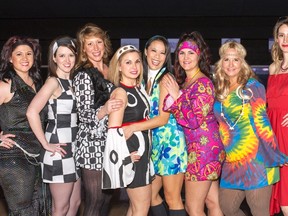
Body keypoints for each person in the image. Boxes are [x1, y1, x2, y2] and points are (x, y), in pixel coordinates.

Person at [213, 40, 288, 216]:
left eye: (236, 59)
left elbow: (263, 123)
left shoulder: (253, 87)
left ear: (242, 63)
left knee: (259, 211)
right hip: (231, 163)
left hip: (257, 161)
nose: (231, 64)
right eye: (226, 59)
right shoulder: (219, 90)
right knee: (227, 208)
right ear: (221, 63)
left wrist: (273, 154)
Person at [122, 35, 187, 216]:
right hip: (154, 146)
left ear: (167, 56)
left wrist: (132, 127)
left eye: (162, 52)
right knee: (150, 197)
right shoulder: (142, 80)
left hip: (171, 145)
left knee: (172, 197)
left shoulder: (166, 79)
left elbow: (162, 119)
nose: (157, 56)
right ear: (145, 51)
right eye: (153, 51)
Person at [162, 31, 225, 216]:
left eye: (191, 52)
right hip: (204, 149)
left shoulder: (203, 83)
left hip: (202, 152)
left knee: (193, 208)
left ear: (199, 55)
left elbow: (194, 120)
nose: (186, 57)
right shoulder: (188, 82)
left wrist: (176, 97)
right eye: (181, 53)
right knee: (212, 202)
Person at [26, 36, 81, 216]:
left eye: (71, 55)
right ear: (54, 58)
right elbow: (31, 111)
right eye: (62, 55)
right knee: (61, 208)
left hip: (74, 149)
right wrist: (45, 144)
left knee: (75, 204)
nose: (67, 60)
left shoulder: (74, 83)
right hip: (59, 150)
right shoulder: (53, 81)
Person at [72, 23, 123, 216]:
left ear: (105, 44)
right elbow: (83, 114)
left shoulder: (111, 71)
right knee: (94, 201)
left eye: (98, 42)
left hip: (110, 142)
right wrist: (104, 109)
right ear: (83, 49)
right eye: (89, 44)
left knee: (107, 199)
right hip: (92, 144)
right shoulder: (84, 75)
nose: (95, 48)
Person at [102, 44, 153, 216]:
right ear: (119, 67)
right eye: (128, 62)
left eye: (137, 62)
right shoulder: (121, 92)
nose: (134, 66)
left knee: (135, 209)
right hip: (134, 156)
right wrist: (125, 157)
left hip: (142, 155)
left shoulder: (138, 89)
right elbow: (113, 130)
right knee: (141, 209)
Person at [0, 36, 45, 215]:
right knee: (22, 211)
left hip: (37, 153)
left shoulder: (36, 84)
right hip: (13, 155)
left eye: (29, 53)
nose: (25, 58)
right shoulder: (6, 85)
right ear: (10, 58)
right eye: (19, 54)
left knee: (37, 208)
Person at [267, 16, 288, 216]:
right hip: (273, 135)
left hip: (287, 135)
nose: (285, 40)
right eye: (281, 35)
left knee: (286, 202)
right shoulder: (273, 67)